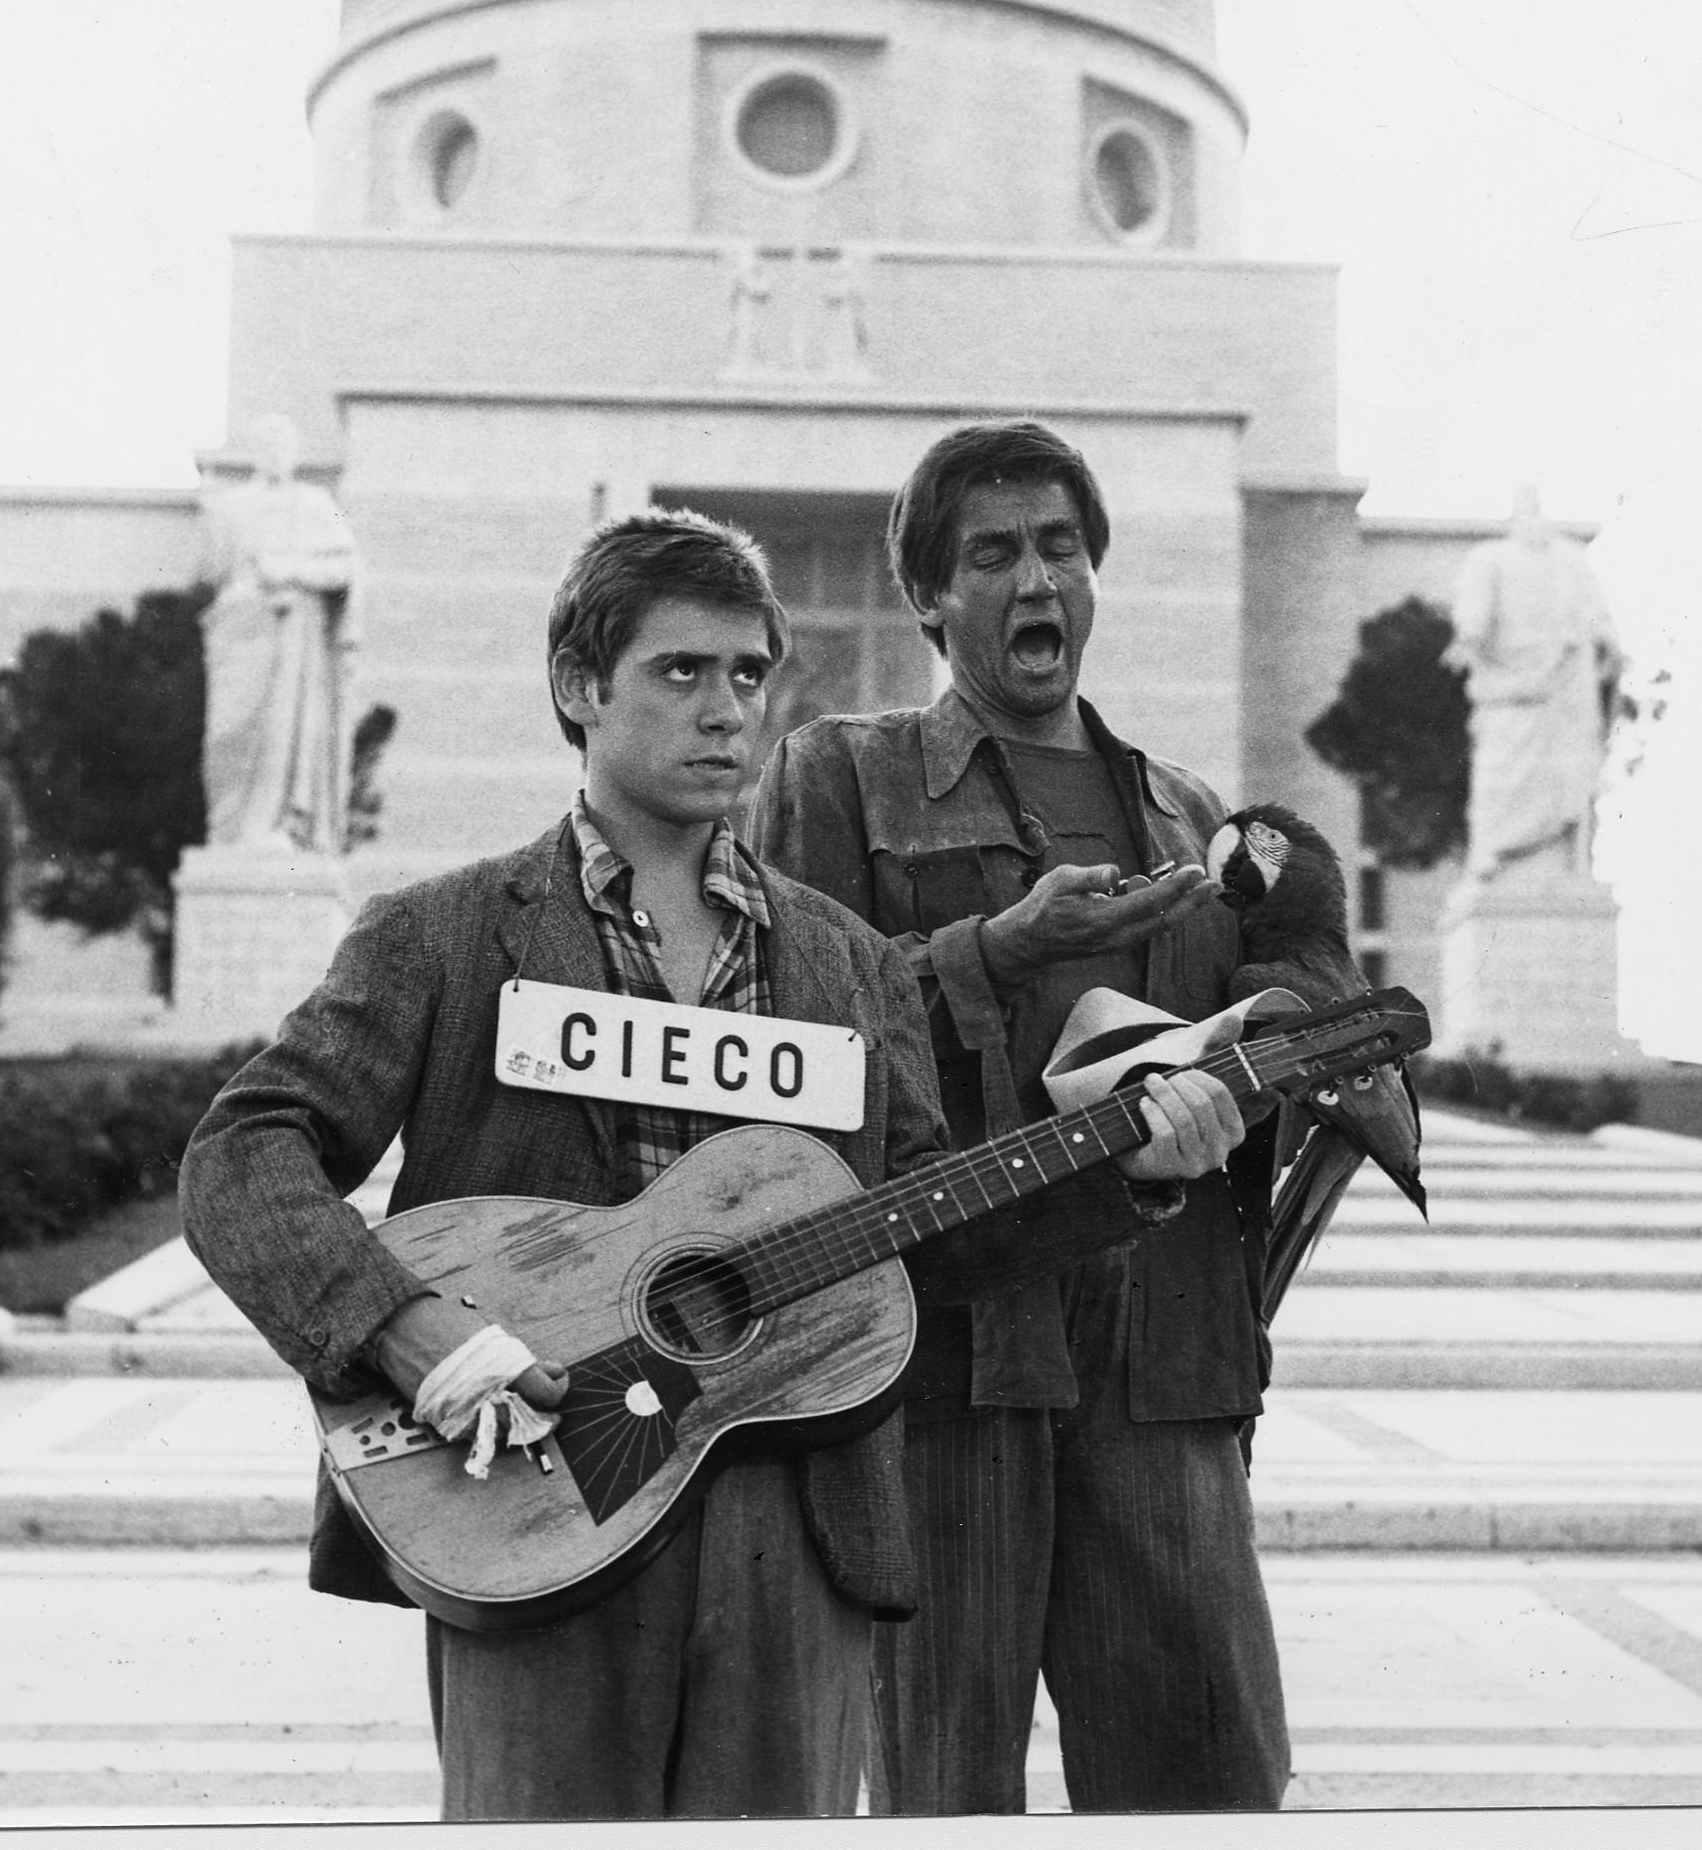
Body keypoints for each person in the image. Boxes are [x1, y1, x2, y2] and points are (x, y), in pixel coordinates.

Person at [175, 509, 1244, 1821]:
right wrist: (405, 1329)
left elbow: (924, 1231)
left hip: (799, 1525)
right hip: (535, 1495)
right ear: (580, 687)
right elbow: (241, 1152)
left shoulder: (844, 963)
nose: (727, 709)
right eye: (682, 672)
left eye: (748, 674)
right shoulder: (445, 939)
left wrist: (1127, 1168)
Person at [745, 418, 1291, 1814]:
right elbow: (787, 1054)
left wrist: (1274, 1049)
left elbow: (1247, 1053)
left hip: (1163, 1361)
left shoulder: (1189, 816)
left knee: (1201, 1781)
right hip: (946, 1360)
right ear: (928, 596)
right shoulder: (838, 778)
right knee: (941, 1791)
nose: (1033, 578)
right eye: (991, 554)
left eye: (1059, 547)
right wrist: (993, 951)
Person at [198, 414, 360, 850]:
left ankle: (281, 824)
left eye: (283, 445)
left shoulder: (314, 504)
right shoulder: (230, 508)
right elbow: (211, 574)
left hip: (296, 642)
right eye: (266, 444)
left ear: (294, 455)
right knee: (227, 736)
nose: (274, 453)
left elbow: (344, 569)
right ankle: (230, 832)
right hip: (241, 638)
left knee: (284, 734)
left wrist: (290, 570)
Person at [1445, 484, 1620, 880]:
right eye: (1525, 509)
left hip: (1564, 691)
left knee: (1564, 779)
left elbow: (1597, 615)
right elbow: (1474, 614)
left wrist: (1608, 642)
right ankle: (1491, 850)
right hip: (1508, 690)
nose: (1534, 517)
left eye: (1539, 508)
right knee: (1500, 775)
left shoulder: (1570, 560)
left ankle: (1563, 861)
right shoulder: (1488, 559)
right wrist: (1468, 639)